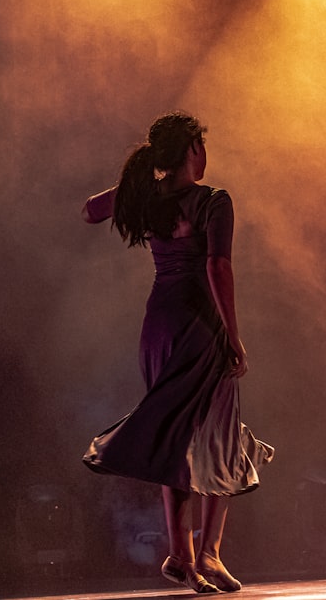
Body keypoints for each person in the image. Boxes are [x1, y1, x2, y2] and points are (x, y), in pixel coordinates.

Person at [81, 112, 273, 593]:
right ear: (192, 151)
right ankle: (207, 553)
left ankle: (180, 553)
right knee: (219, 434)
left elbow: (89, 210)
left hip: (158, 327)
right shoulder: (213, 201)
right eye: (200, 147)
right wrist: (233, 335)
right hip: (200, 325)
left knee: (173, 432)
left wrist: (140, 180)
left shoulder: (152, 198)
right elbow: (217, 267)